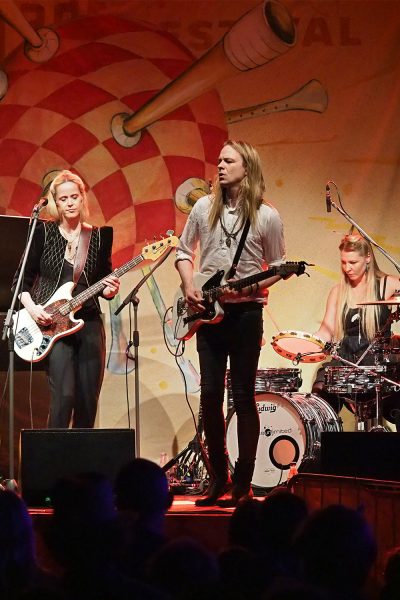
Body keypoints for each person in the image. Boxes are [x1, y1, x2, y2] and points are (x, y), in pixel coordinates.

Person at [175, 140, 286, 507]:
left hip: (246, 314)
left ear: (246, 167)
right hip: (208, 312)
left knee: (241, 394)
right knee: (209, 395)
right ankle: (217, 478)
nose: (220, 166)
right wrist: (189, 285)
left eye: (228, 160)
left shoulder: (266, 215)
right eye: (219, 161)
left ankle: (243, 481)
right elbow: (182, 252)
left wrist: (255, 284)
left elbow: (277, 268)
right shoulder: (204, 207)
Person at [12, 169, 120, 428]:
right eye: (63, 199)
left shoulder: (98, 236)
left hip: (88, 321)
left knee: (87, 399)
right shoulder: (42, 232)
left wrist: (110, 290)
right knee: (64, 396)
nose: (70, 202)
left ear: (83, 198)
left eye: (74, 197)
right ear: (55, 203)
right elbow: (21, 281)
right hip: (50, 322)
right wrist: (34, 309)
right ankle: (54, 464)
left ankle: (83, 466)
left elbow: (103, 280)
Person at [312, 233, 400, 426]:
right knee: (319, 394)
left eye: (353, 262)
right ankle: (325, 448)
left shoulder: (389, 284)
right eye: (343, 262)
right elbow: (326, 331)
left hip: (379, 366)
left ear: (367, 258)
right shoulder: (338, 291)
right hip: (345, 363)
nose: (347, 268)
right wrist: (305, 343)